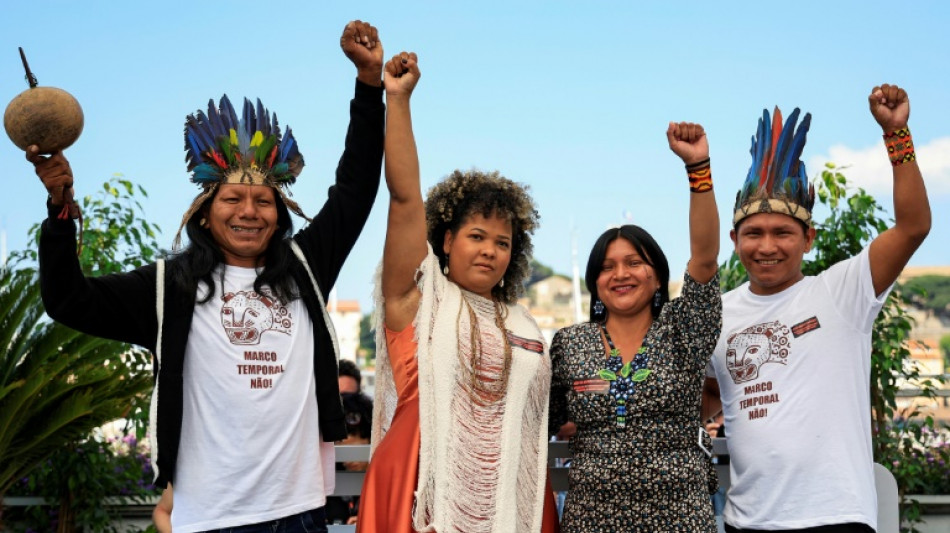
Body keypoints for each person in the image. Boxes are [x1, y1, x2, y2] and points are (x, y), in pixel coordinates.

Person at [30, 20, 385, 533]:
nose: (249, 211)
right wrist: (60, 211)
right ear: (204, 212)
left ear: (279, 214)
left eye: (264, 200)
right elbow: (67, 299)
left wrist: (368, 84)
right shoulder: (167, 288)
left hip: (300, 512)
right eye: (232, 198)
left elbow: (355, 188)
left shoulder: (305, 268)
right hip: (208, 518)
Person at [704, 83, 931, 533]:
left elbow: (913, 227)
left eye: (782, 232)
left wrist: (897, 136)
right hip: (747, 522)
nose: (767, 246)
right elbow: (708, 395)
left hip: (837, 517)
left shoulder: (842, 291)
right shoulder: (717, 313)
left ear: (808, 239)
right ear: (734, 242)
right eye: (753, 233)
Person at [356, 51, 558, 533]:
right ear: (446, 240)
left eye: (503, 242)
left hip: (513, 497)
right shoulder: (419, 299)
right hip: (418, 489)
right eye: (476, 236)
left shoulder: (523, 322)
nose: (490, 250)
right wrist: (398, 99)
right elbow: (404, 198)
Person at [548, 122, 721, 532]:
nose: (620, 274)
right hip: (591, 517)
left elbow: (706, 260)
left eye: (634, 263)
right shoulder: (570, 343)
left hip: (679, 515)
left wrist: (698, 168)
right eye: (607, 267)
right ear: (594, 282)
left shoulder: (683, 328)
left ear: (657, 276)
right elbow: (541, 420)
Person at [326, 391, 374, 526]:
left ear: (369, 439)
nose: (348, 460)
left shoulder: (383, 480)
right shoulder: (330, 480)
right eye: (340, 448)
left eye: (354, 448)